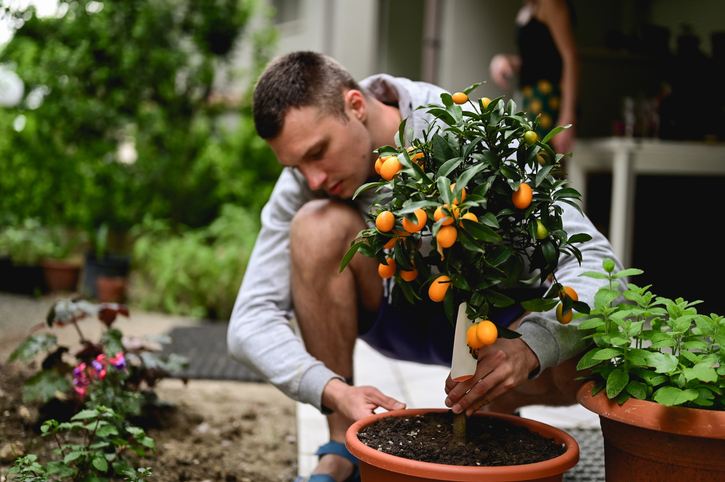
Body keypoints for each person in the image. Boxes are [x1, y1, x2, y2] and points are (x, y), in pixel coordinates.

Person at [227, 51, 620, 482]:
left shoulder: (472, 134)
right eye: (297, 166)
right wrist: (333, 390)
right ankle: (341, 450)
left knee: (582, 320)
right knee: (315, 226)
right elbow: (249, 321)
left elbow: (603, 269)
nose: (313, 179)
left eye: (318, 152)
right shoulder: (305, 180)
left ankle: (497, 409)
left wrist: (530, 346)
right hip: (400, 315)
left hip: (499, 324)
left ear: (356, 106)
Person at [489, 0, 578, 155]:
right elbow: (538, 59)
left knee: (542, 163)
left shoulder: (550, 3)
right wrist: (509, 61)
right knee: (527, 160)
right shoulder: (529, 7)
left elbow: (570, 57)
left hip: (547, 98)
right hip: (528, 98)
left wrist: (567, 116)